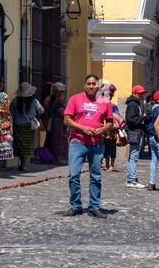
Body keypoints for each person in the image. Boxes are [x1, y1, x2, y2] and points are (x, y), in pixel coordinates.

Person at [63, 74, 114, 217]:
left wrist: (103, 129)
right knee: (73, 175)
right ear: (84, 85)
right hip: (77, 142)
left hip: (97, 143)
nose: (91, 86)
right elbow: (67, 119)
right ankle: (75, 206)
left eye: (94, 84)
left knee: (96, 176)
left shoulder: (105, 101)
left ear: (98, 86)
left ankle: (94, 206)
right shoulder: (75, 99)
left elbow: (110, 122)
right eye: (88, 84)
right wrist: (82, 128)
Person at [9, 82, 43, 172]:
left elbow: (10, 110)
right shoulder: (34, 101)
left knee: (20, 145)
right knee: (28, 145)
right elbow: (41, 110)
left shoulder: (16, 101)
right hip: (29, 126)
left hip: (18, 126)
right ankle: (25, 164)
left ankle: (22, 163)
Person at [123, 85, 148, 188]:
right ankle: (131, 179)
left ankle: (132, 177)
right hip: (134, 132)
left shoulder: (136, 103)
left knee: (133, 156)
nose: (142, 95)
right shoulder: (133, 104)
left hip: (137, 132)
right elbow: (131, 119)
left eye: (142, 93)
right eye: (140, 93)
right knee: (133, 156)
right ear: (134, 93)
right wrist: (142, 117)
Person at [43, 82, 69, 162]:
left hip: (54, 121)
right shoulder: (56, 101)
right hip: (56, 122)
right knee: (56, 139)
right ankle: (56, 157)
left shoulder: (50, 99)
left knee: (52, 139)